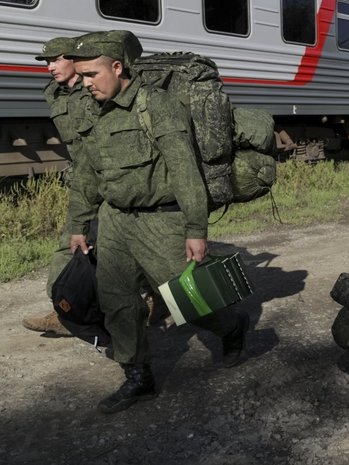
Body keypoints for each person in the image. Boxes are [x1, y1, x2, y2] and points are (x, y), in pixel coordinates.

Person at [65, 30, 249, 414]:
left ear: (118, 67)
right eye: (81, 76)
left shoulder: (156, 104)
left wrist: (196, 229)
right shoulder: (94, 110)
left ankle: (232, 326)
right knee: (117, 302)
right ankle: (138, 378)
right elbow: (85, 173)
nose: (85, 83)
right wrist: (78, 224)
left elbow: (184, 170)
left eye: (92, 74)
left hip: (161, 221)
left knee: (190, 299)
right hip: (114, 221)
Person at [20, 37, 97, 337]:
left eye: (56, 59)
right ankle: (63, 312)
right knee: (72, 243)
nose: (50, 67)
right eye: (46, 62)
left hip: (110, 178)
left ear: (75, 60)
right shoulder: (55, 92)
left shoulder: (96, 89)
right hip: (85, 180)